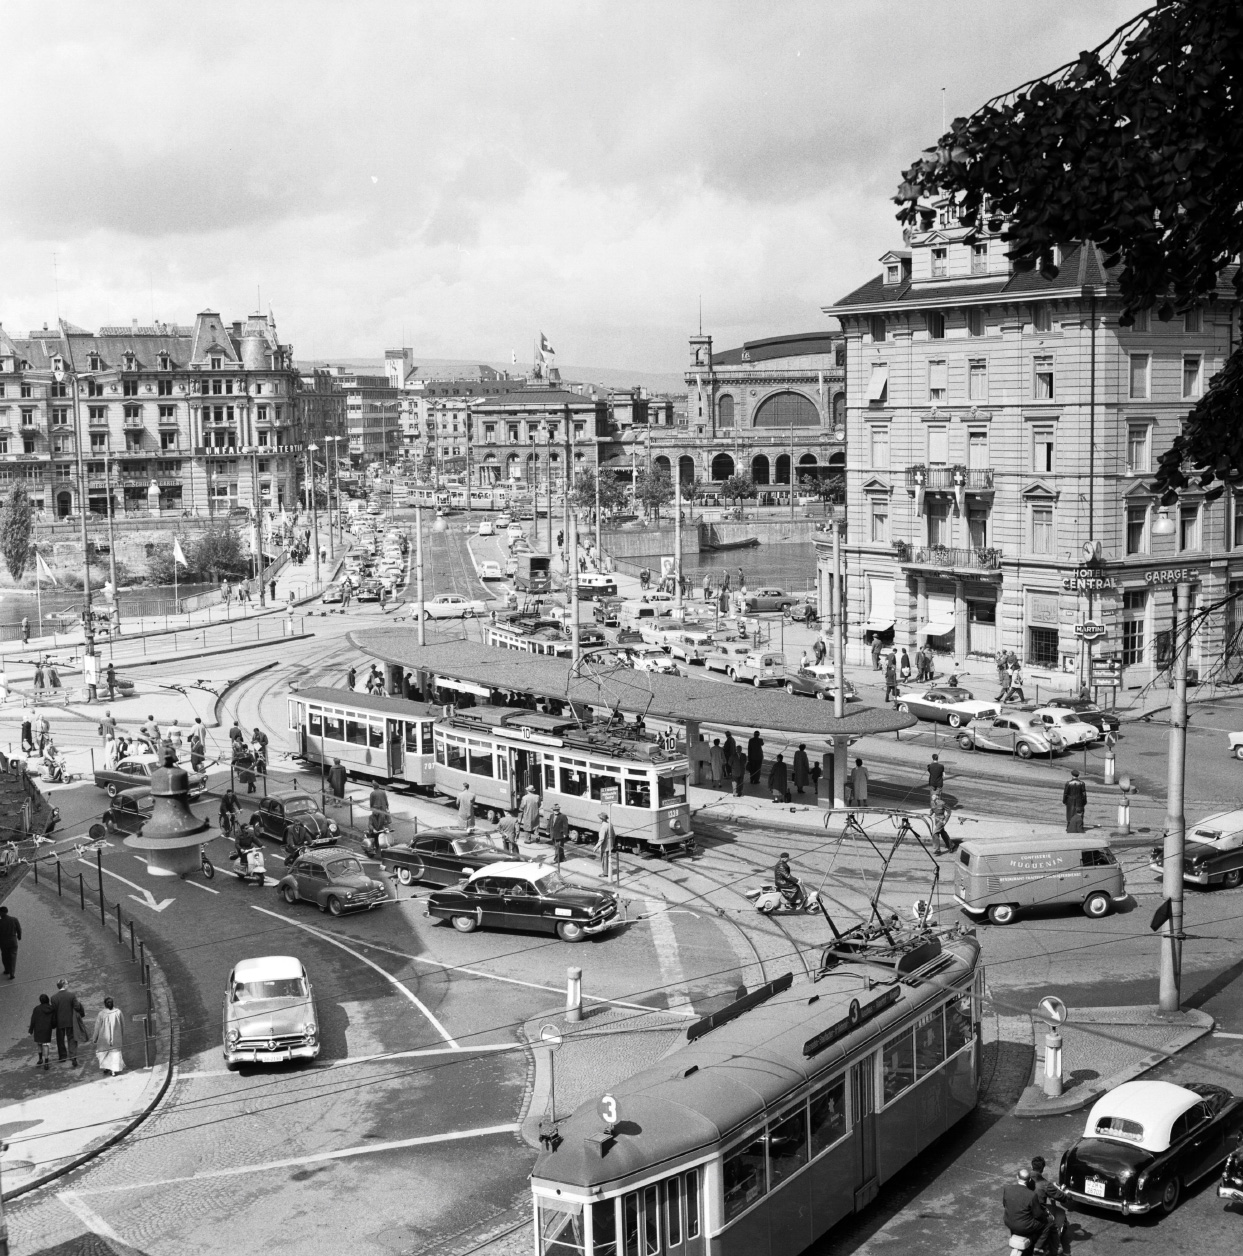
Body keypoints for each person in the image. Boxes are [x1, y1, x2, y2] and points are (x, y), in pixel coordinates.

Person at [1002, 1168, 1058, 1256]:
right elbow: (1038, 1215)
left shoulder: (1007, 1189)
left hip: (1008, 1222)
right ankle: (1037, 1247)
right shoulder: (1032, 1195)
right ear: (1029, 1180)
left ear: (1017, 1177)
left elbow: (1005, 1204)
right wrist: (1046, 1215)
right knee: (1049, 1222)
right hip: (1024, 1226)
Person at [1030, 1156, 1072, 1255]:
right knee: (1052, 1226)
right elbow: (1062, 1197)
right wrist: (1067, 1194)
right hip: (1036, 1215)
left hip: (1022, 1212)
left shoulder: (1024, 1179)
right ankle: (1057, 1249)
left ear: (1031, 1166)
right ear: (1043, 1168)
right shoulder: (1045, 1184)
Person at [50, 979, 83, 1067]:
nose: (68, 985)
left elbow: (53, 1011)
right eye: (67, 983)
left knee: (60, 1039)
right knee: (71, 1038)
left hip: (59, 1021)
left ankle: (62, 1056)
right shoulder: (71, 995)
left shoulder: (53, 998)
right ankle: (73, 1056)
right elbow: (76, 1006)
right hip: (70, 1020)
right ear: (64, 985)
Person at [93, 996, 125, 1076]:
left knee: (105, 1053)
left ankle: (106, 1067)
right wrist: (121, 1035)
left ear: (105, 1004)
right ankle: (114, 1070)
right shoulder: (118, 1012)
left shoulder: (101, 1014)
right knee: (115, 1054)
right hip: (116, 1037)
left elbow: (97, 1027)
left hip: (104, 1038)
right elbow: (123, 1025)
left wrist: (95, 1038)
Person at [29, 993, 55, 1070]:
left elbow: (33, 1020)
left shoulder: (36, 1009)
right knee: (46, 1045)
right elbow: (53, 1019)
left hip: (38, 1029)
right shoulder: (51, 1009)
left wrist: (31, 1029)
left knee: (39, 1044)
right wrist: (53, 1026)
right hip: (47, 1029)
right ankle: (46, 1062)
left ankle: (40, 1059)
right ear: (48, 1000)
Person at [0, 904, 20, 979]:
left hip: (3, 942)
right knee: (13, 957)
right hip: (13, 942)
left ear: (2, 913)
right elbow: (19, 929)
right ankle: (12, 973)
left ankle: (7, 970)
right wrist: (19, 936)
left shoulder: (0, 922)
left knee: (5, 956)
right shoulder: (14, 919)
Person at [594, 811, 615, 876]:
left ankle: (605, 873)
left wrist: (596, 847)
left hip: (605, 846)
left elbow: (601, 839)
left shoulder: (604, 827)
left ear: (601, 819)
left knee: (604, 859)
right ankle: (608, 871)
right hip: (610, 845)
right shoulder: (610, 824)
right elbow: (614, 835)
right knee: (608, 859)